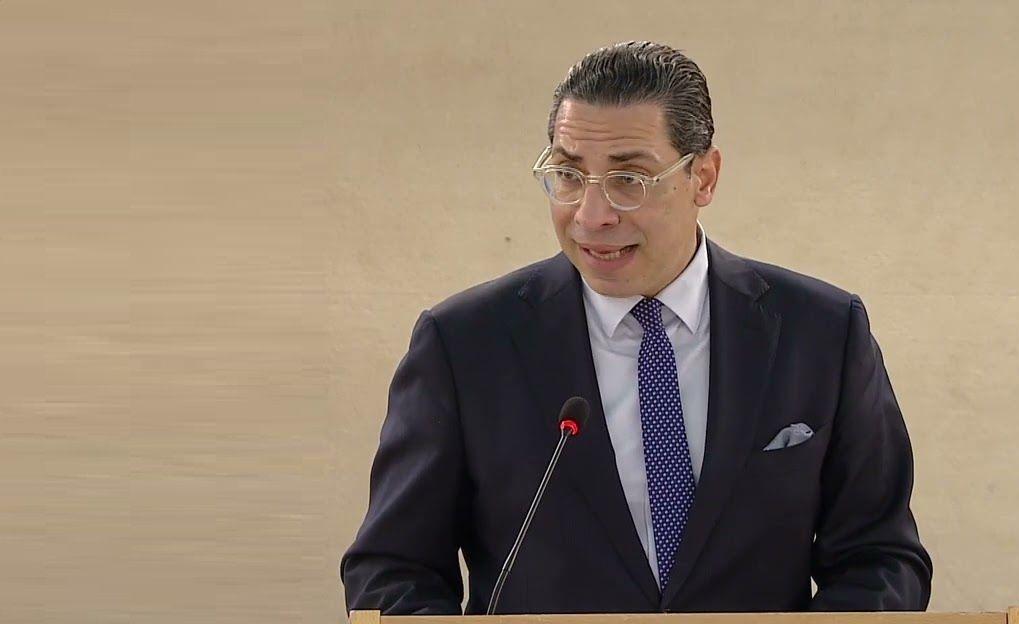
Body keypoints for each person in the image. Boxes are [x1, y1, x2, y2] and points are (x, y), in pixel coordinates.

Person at [341, 41, 932, 615]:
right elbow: (393, 572)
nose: (591, 214)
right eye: (569, 175)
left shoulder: (822, 332)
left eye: (629, 180)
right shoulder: (464, 344)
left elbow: (880, 559)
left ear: (704, 177)